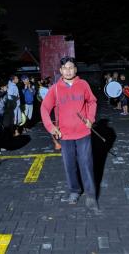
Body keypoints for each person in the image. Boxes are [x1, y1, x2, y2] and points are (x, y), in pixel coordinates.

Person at [40, 56, 99, 212]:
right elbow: (44, 108)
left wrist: (90, 119)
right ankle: (74, 191)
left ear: (75, 69)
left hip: (83, 132)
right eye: (65, 68)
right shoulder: (56, 88)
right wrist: (50, 127)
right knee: (69, 165)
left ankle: (91, 195)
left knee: (86, 164)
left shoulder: (83, 84)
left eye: (71, 67)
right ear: (60, 71)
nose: (68, 71)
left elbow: (92, 101)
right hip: (64, 135)